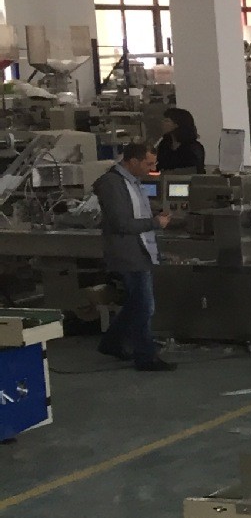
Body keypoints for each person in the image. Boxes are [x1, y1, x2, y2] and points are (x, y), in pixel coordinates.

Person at [93, 143, 175, 373]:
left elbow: (135, 211)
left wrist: (154, 214)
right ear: (132, 161)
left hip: (140, 249)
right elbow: (121, 223)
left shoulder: (133, 182)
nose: (152, 169)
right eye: (148, 164)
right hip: (128, 252)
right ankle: (146, 356)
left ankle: (112, 342)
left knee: (136, 303)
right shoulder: (112, 183)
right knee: (145, 306)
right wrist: (155, 223)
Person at [154, 106, 205, 174]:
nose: (162, 123)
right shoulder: (164, 144)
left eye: (167, 121)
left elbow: (195, 170)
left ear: (177, 124)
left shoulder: (194, 147)